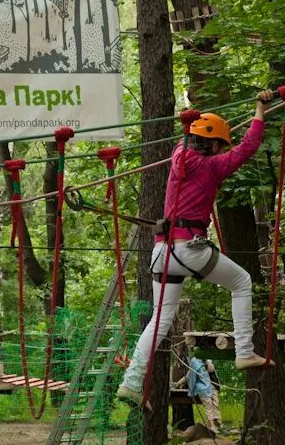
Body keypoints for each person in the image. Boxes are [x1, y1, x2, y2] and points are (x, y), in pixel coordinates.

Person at [117, 91, 276, 408]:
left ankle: (132, 383)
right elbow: (248, 148)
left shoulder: (178, 158)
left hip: (162, 254)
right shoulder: (212, 167)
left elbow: (187, 143)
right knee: (242, 282)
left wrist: (187, 129)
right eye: (220, 145)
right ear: (214, 146)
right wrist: (260, 110)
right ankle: (245, 352)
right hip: (190, 249)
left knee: (160, 320)